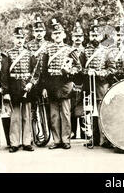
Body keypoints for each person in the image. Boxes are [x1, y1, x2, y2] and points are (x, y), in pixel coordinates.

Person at [40, 19, 82, 150]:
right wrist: (44, 87)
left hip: (65, 82)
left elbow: (78, 67)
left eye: (59, 33)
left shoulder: (70, 50)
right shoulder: (47, 50)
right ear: (52, 36)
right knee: (53, 114)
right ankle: (56, 140)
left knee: (65, 113)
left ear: (64, 35)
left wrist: (70, 72)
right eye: (55, 33)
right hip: (52, 83)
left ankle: (65, 140)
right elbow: (43, 70)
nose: (57, 36)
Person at [1, 24, 38, 152]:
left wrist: (31, 83)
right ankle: (14, 143)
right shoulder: (7, 54)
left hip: (26, 88)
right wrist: (5, 91)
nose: (19, 40)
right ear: (13, 39)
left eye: (21, 38)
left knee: (27, 116)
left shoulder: (30, 54)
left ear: (24, 39)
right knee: (15, 117)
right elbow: (4, 75)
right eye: (17, 38)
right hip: (13, 88)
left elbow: (35, 72)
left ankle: (27, 142)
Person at [80, 19, 113, 147]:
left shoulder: (107, 50)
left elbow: (112, 69)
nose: (95, 37)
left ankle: (105, 139)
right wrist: (87, 71)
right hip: (89, 85)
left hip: (101, 86)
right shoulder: (84, 51)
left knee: (102, 112)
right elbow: (80, 68)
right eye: (92, 35)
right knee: (90, 112)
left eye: (97, 35)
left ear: (101, 36)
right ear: (89, 36)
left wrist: (100, 73)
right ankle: (93, 137)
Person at [26, 16, 52, 146]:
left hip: (45, 81)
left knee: (46, 109)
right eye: (36, 31)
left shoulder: (49, 46)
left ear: (45, 32)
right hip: (32, 81)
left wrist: (46, 86)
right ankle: (33, 135)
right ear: (33, 33)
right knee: (32, 110)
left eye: (41, 31)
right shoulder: (28, 46)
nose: (39, 34)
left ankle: (46, 135)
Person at [69, 21, 86, 139]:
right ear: (72, 37)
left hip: (84, 81)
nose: (78, 38)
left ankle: (84, 132)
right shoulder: (67, 51)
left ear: (83, 37)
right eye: (76, 36)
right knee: (71, 107)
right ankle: (72, 132)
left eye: (80, 36)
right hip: (72, 81)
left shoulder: (86, 51)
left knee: (84, 106)